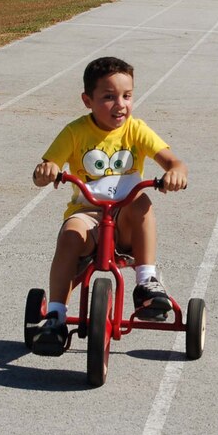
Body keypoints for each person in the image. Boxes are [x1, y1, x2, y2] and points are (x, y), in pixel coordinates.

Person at [30, 56, 189, 355]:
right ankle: (55, 316)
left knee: (141, 201)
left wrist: (176, 173)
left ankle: (147, 283)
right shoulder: (75, 132)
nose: (120, 105)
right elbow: (46, 167)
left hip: (126, 218)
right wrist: (46, 171)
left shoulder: (136, 130)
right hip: (88, 213)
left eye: (127, 96)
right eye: (108, 97)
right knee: (69, 235)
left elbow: (174, 161)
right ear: (87, 100)